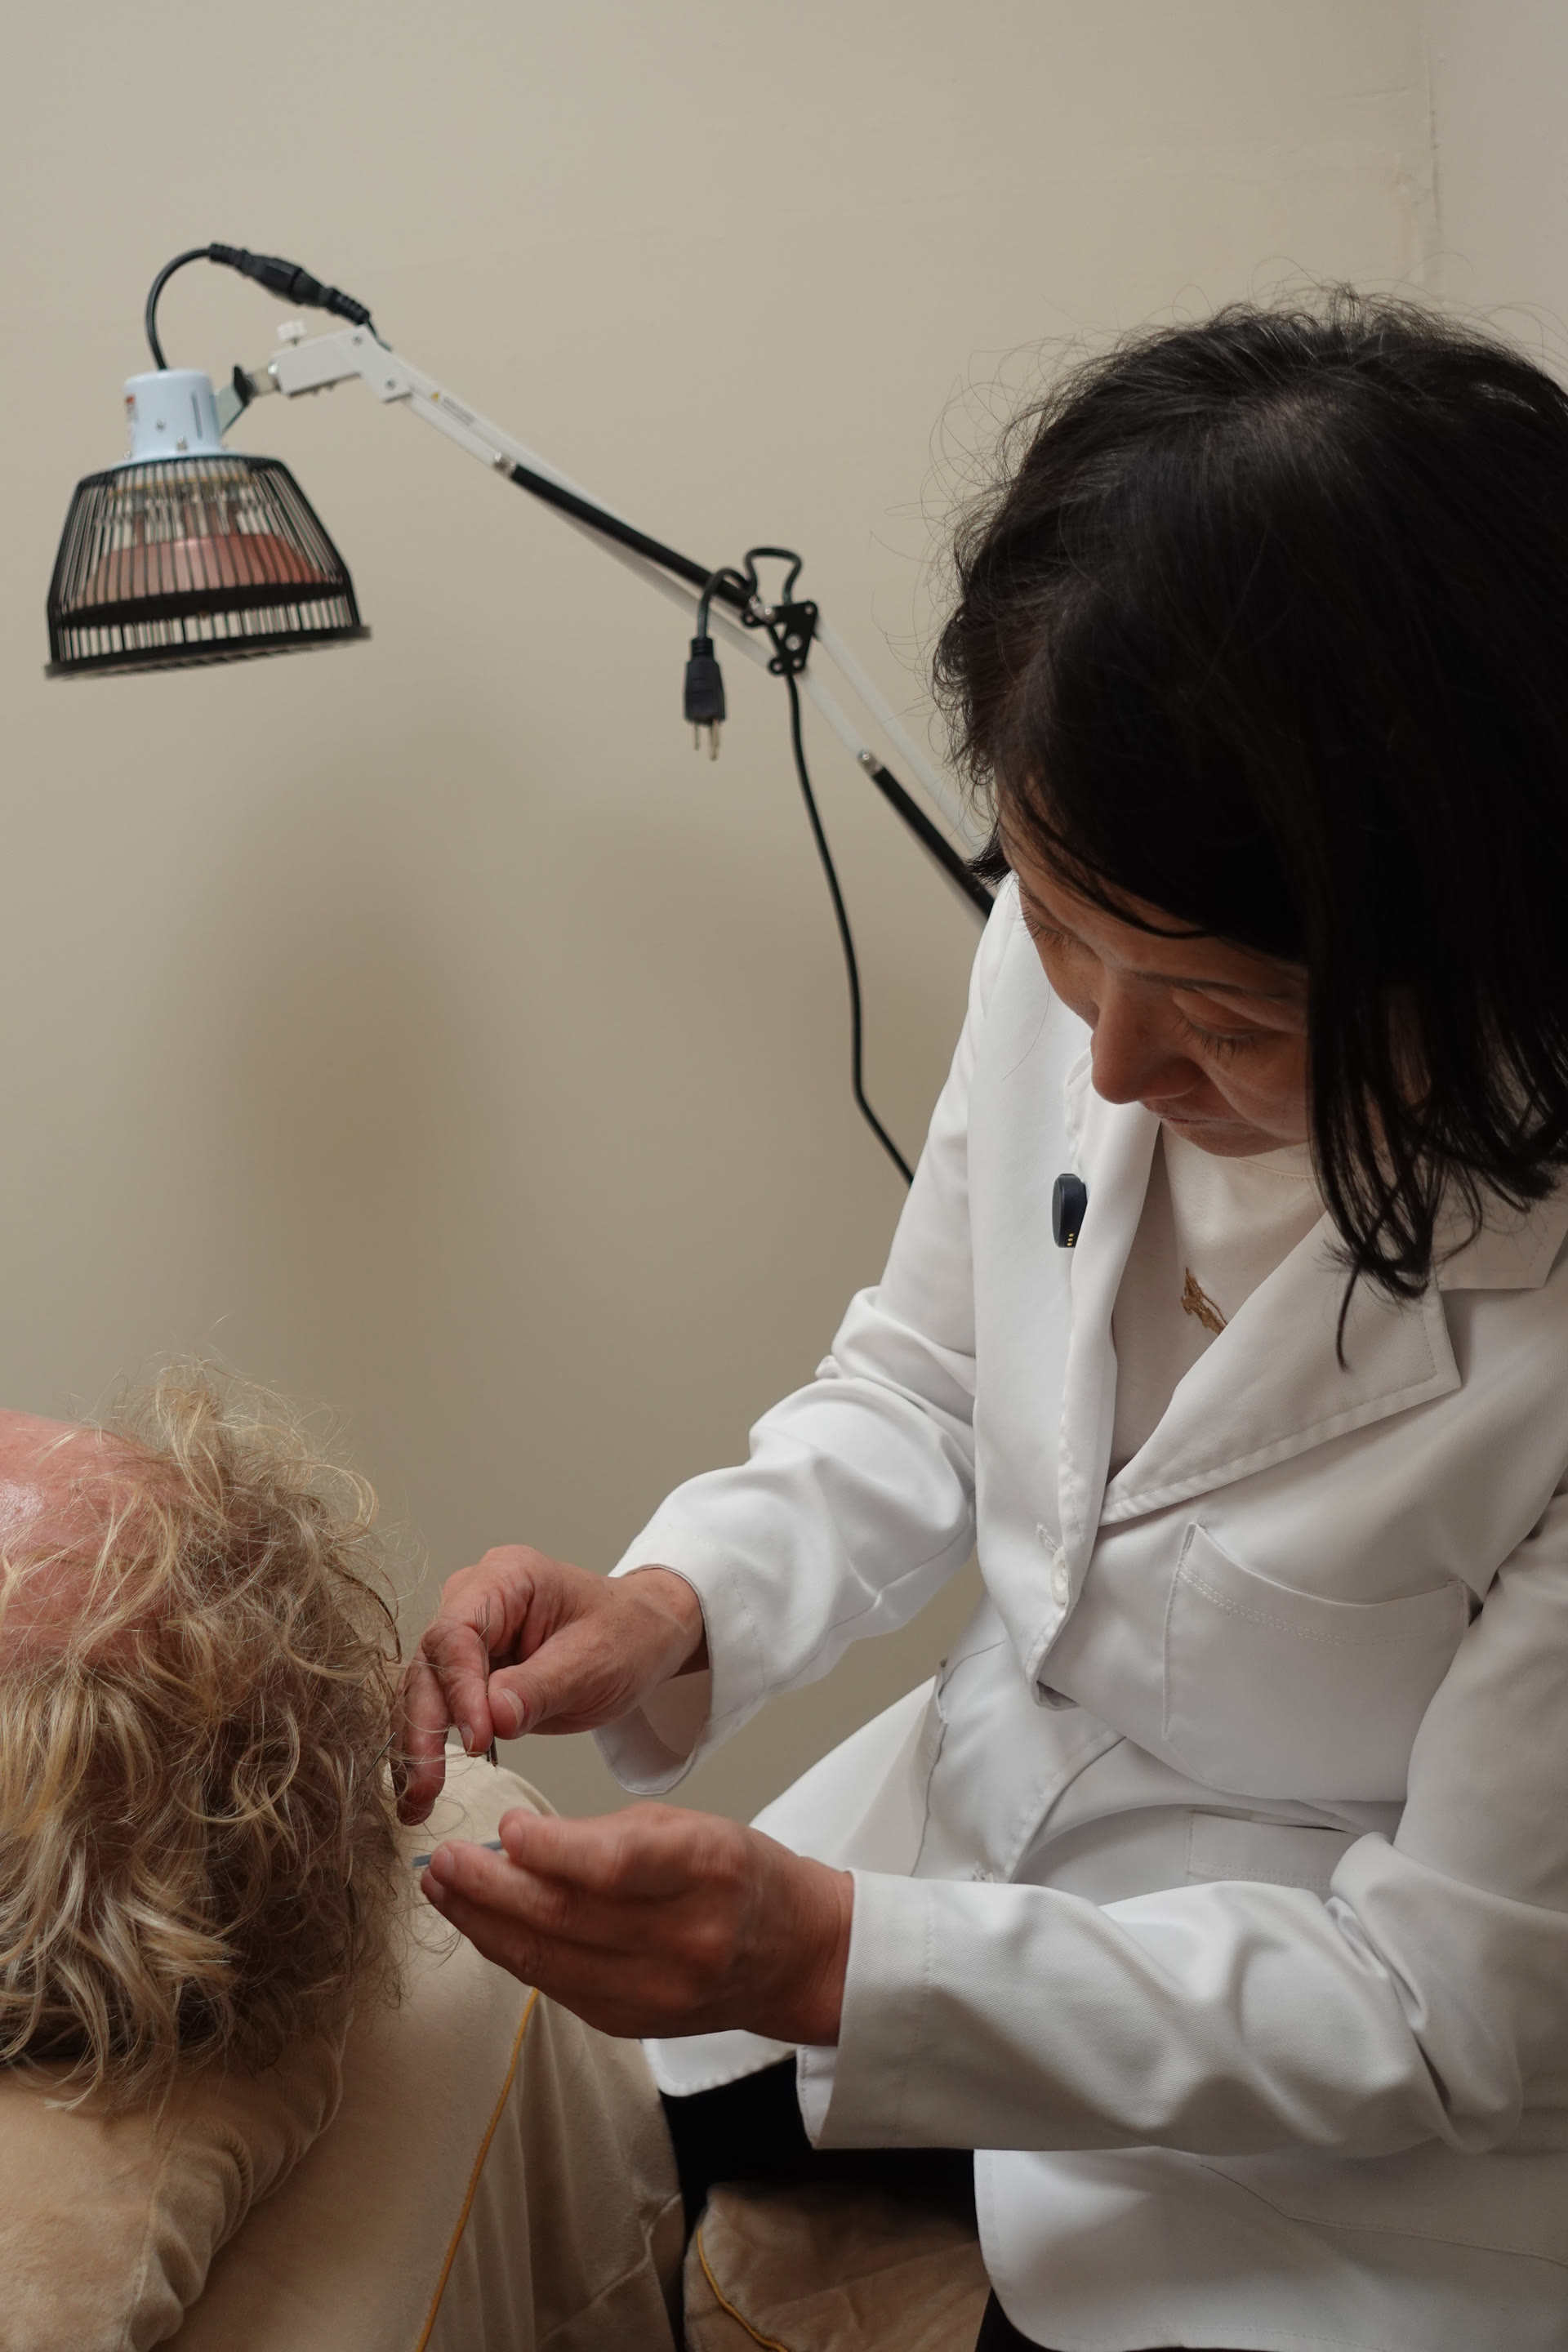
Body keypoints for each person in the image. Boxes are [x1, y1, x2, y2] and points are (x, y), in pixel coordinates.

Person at [400, 292, 1568, 2352]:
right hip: (988, 1825)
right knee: (561, 2133)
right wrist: (679, 1599)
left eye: (1224, 1015)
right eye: (1050, 927)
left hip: (1343, 2101)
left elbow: (1446, 2000)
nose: (1107, 1058)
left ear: (1472, 951)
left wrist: (836, 1960)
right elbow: (933, 1379)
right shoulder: (1099, 929)